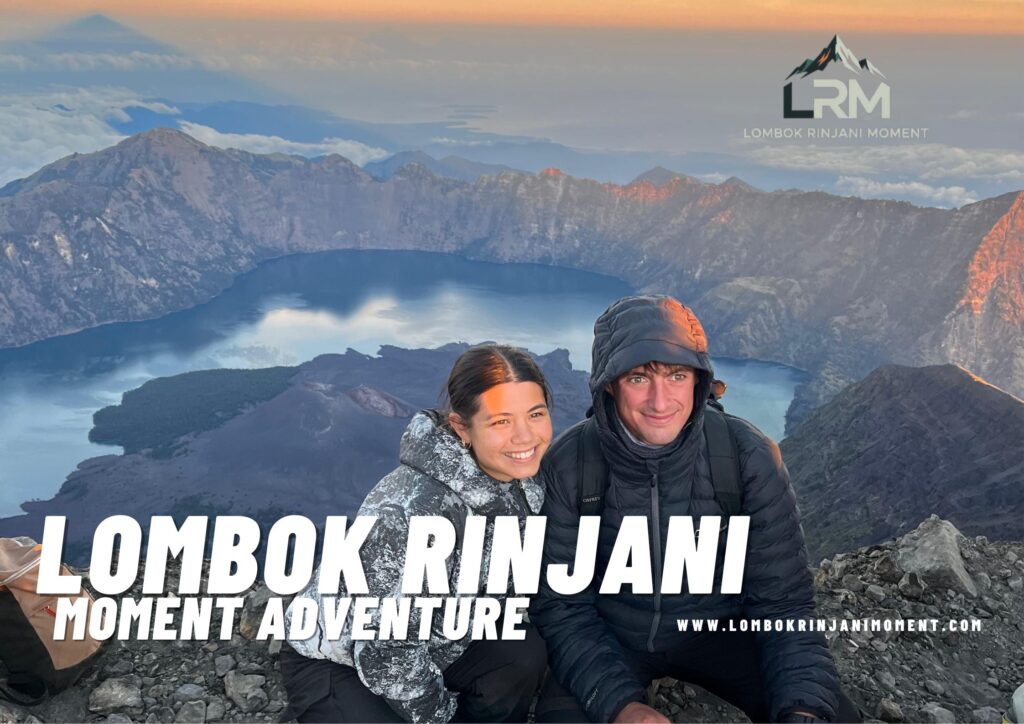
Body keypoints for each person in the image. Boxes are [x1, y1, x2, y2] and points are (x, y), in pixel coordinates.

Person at [530, 295, 861, 723]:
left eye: (677, 375)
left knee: (832, 716)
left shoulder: (745, 456)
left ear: (699, 381)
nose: (660, 400)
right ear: (608, 384)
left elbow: (783, 605)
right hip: (611, 637)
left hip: (720, 634)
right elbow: (562, 605)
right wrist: (620, 706)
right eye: (637, 378)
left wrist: (802, 708)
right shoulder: (571, 463)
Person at [280, 344, 554, 723]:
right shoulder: (412, 511)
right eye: (501, 421)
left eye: (535, 414)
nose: (525, 437)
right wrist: (441, 716)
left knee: (522, 653)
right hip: (342, 659)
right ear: (462, 428)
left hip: (438, 638)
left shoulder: (521, 480)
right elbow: (383, 650)